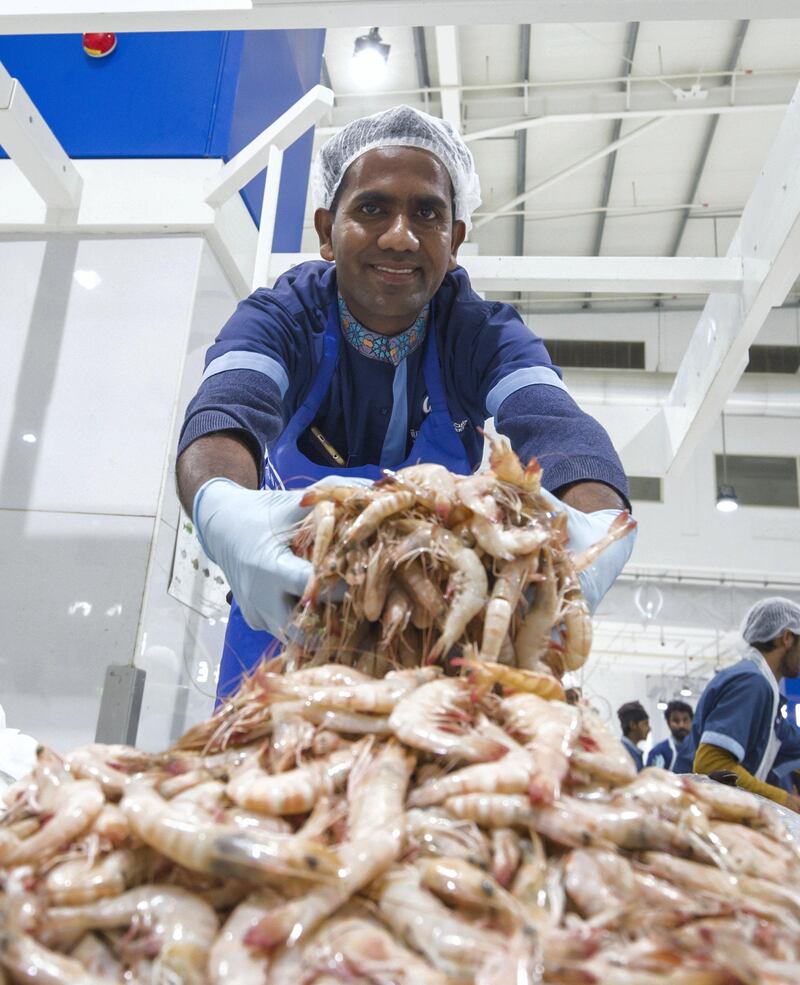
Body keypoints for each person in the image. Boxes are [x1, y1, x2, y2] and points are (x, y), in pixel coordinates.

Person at [175, 105, 636, 699]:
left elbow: (557, 426)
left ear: (455, 239)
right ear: (325, 230)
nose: (400, 235)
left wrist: (601, 526)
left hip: (432, 633)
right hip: (289, 609)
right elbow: (224, 415)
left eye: (427, 213)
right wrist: (223, 510)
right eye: (372, 208)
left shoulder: (484, 334)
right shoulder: (280, 319)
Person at [683, 598, 800, 811]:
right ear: (787, 638)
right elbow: (712, 764)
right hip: (706, 812)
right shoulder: (751, 683)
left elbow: (789, 743)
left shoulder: (764, 686)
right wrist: (784, 801)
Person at [646, 700, 693, 773]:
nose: (681, 725)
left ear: (691, 721)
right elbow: (652, 781)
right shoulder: (658, 752)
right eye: (676, 720)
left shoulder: (698, 750)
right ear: (668, 723)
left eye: (685, 720)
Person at [617, 701, 650, 772]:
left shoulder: (632, 752)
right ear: (633, 725)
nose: (649, 729)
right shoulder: (625, 754)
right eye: (645, 724)